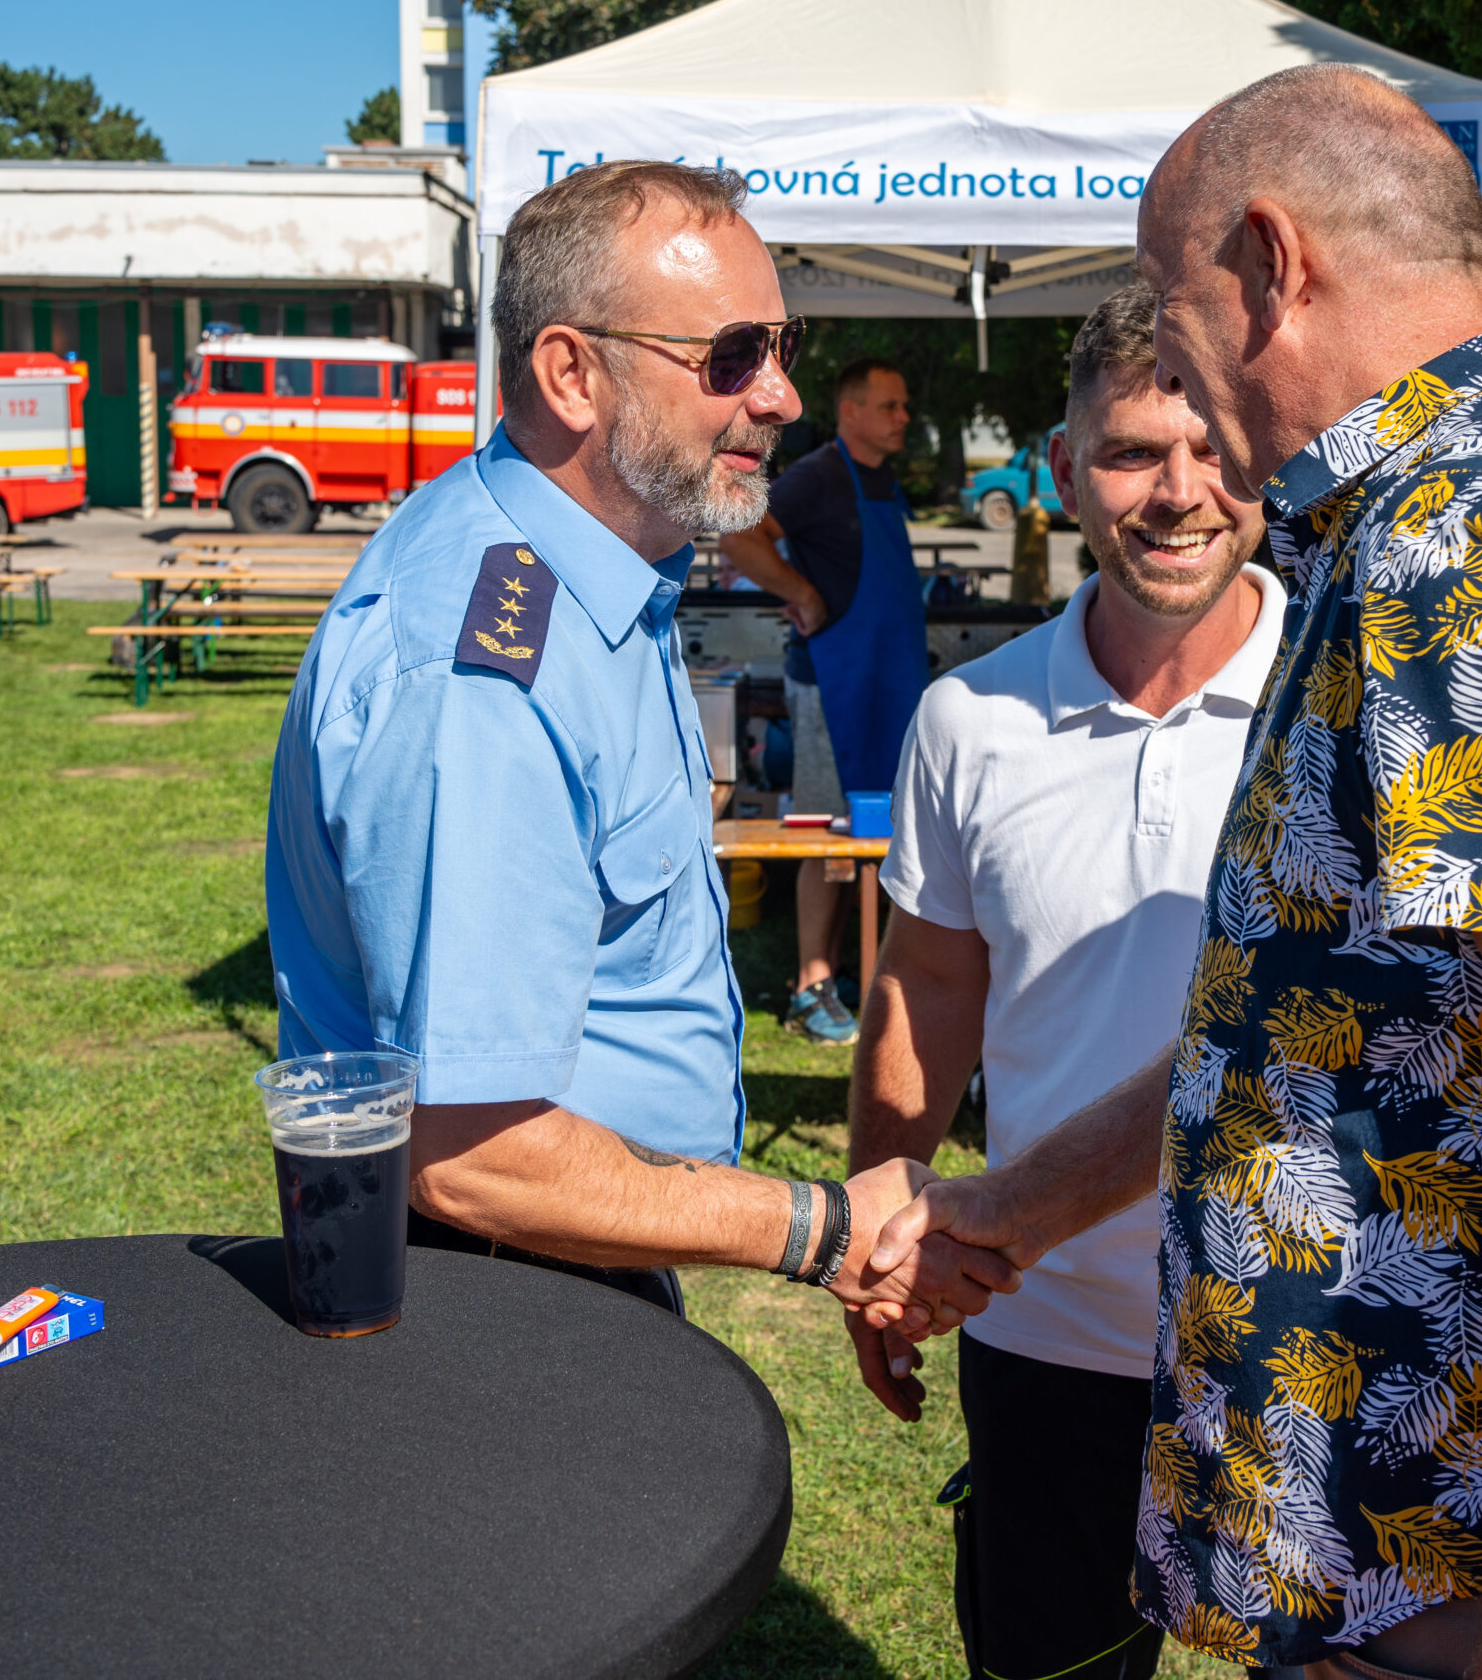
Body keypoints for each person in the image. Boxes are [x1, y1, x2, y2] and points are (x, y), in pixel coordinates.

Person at [865, 67, 1482, 1680]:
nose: (1177, 366)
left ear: (1272, 265)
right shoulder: (1461, 507)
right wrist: (1003, 1206)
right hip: (1421, 1587)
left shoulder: (1463, 541)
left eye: (1173, 304)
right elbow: (1316, 1039)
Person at [264, 159, 1010, 1321]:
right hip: (509, 1289)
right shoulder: (487, 677)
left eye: (784, 346)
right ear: (572, 373)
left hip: (576, 1254)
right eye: (732, 357)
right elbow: (472, 1151)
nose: (781, 397)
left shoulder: (591, 570)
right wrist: (819, 1228)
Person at [847, 282, 1282, 1680]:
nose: (1179, 492)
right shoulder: (968, 717)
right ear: (1062, 469)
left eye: (1213, 450)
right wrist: (877, 1219)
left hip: (1313, 1330)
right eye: (1132, 452)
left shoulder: (1343, 702)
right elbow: (925, 990)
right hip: (1046, 1328)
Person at [719, 359, 929, 1046]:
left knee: (868, 830)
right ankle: (811, 985)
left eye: (903, 406)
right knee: (825, 829)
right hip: (830, 681)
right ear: (851, 412)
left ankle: (847, 971)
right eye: (890, 406)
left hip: (884, 679)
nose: (903, 418)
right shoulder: (818, 476)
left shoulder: (880, 480)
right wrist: (800, 593)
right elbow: (740, 537)